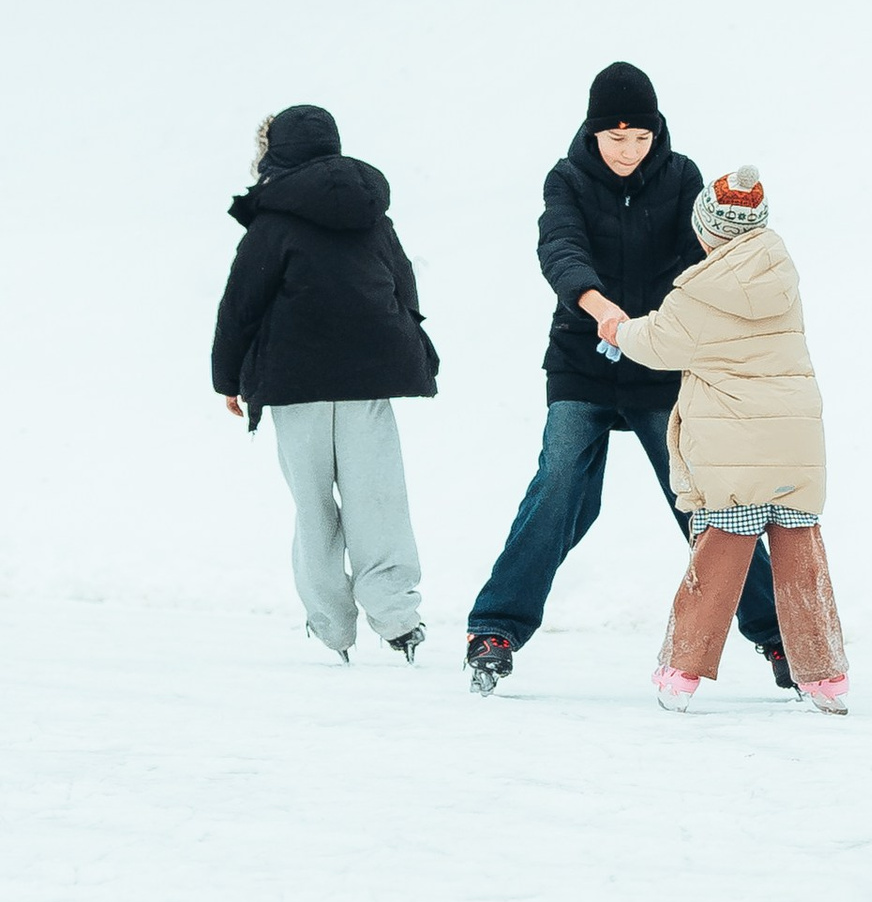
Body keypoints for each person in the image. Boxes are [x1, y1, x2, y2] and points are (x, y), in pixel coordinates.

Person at [464, 63, 789, 695]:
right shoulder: (567, 178)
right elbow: (559, 247)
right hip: (582, 361)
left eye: (640, 137)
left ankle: (778, 635)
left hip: (658, 361)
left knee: (701, 500)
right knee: (560, 486)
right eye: (616, 138)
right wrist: (600, 308)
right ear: (593, 133)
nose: (628, 150)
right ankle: (495, 629)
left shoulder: (681, 176)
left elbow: (702, 255)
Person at [610, 163, 849, 715]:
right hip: (795, 445)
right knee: (803, 562)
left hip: (733, 454)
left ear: (705, 231)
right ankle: (826, 679)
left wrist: (618, 330)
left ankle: (680, 675)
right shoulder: (780, 274)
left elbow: (660, 344)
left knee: (718, 561)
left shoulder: (700, 294)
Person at [210, 103, 437, 664]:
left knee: (314, 508)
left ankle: (332, 627)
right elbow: (404, 286)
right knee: (378, 500)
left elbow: (241, 305)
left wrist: (227, 377)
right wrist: (407, 343)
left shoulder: (272, 222)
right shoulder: (372, 215)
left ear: (275, 154)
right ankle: (397, 619)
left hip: (294, 384)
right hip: (370, 378)